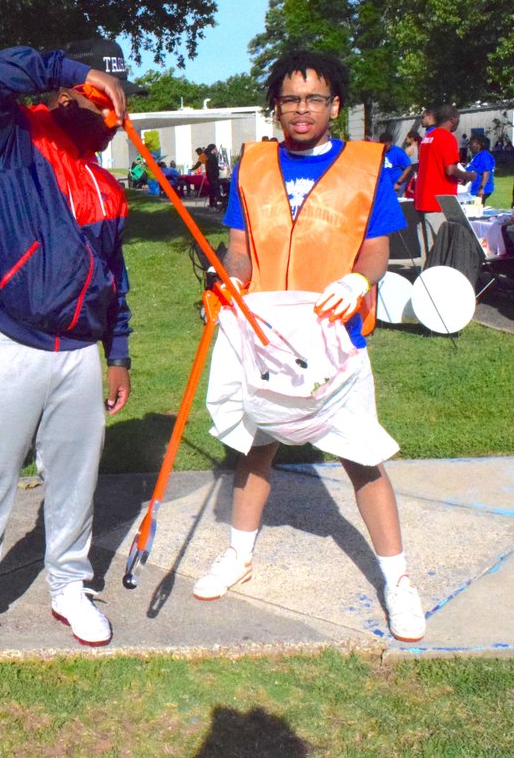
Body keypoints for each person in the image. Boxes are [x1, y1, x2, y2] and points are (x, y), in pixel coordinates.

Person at [195, 50, 426, 643]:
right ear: (277, 105)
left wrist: (359, 281)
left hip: (334, 335)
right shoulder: (253, 165)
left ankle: (398, 582)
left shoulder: (364, 167)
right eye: (291, 98)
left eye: (315, 98)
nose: (302, 110)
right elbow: (241, 247)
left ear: (335, 106)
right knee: (256, 448)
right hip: (266, 336)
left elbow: (375, 250)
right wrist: (230, 278)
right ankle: (239, 555)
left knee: (361, 457)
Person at [0, 40, 136, 681]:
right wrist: (77, 72)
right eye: (97, 96)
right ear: (66, 91)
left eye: (114, 100)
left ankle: (68, 587)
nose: (106, 111)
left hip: (80, 351)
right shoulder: (12, 136)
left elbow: (115, 275)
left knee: (75, 481)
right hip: (6, 339)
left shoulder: (105, 182)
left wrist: (120, 352)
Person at [414, 104, 476, 234]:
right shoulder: (447, 137)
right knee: (440, 248)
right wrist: (469, 175)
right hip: (439, 202)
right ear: (453, 119)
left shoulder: (427, 138)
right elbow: (450, 170)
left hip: (422, 199)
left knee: (427, 249)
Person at [465, 135, 496, 205]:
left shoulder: (484, 155)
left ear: (479, 145)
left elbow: (486, 172)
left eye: (471, 144)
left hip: (480, 189)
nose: (470, 146)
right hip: (474, 189)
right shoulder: (477, 156)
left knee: (476, 211)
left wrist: (481, 188)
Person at [379, 131, 411, 196]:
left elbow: (408, 167)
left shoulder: (398, 152)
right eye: (383, 145)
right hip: (385, 185)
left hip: (396, 184)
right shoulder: (379, 151)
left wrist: (398, 182)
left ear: (390, 142)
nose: (384, 148)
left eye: (386, 145)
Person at [205, 143, 223, 208]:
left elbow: (214, 166)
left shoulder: (210, 156)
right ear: (213, 149)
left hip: (212, 176)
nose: (216, 150)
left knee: (213, 190)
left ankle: (213, 203)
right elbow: (211, 168)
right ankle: (213, 203)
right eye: (215, 149)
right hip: (213, 177)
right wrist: (212, 178)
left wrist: (219, 168)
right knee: (214, 190)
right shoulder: (211, 157)